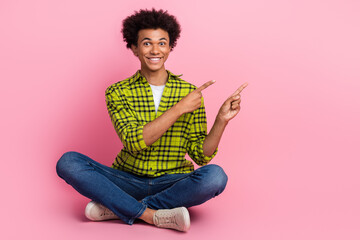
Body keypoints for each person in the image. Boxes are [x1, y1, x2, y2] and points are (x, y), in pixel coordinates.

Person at [56, 8, 248, 232]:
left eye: (162, 43)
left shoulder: (190, 93)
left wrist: (221, 121)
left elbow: (200, 155)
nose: (155, 50)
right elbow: (134, 141)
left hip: (172, 182)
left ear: (170, 47)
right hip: (126, 179)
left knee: (215, 176)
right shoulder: (117, 92)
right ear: (135, 48)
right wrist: (178, 109)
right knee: (68, 162)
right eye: (147, 43)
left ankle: (121, 208)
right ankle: (151, 215)